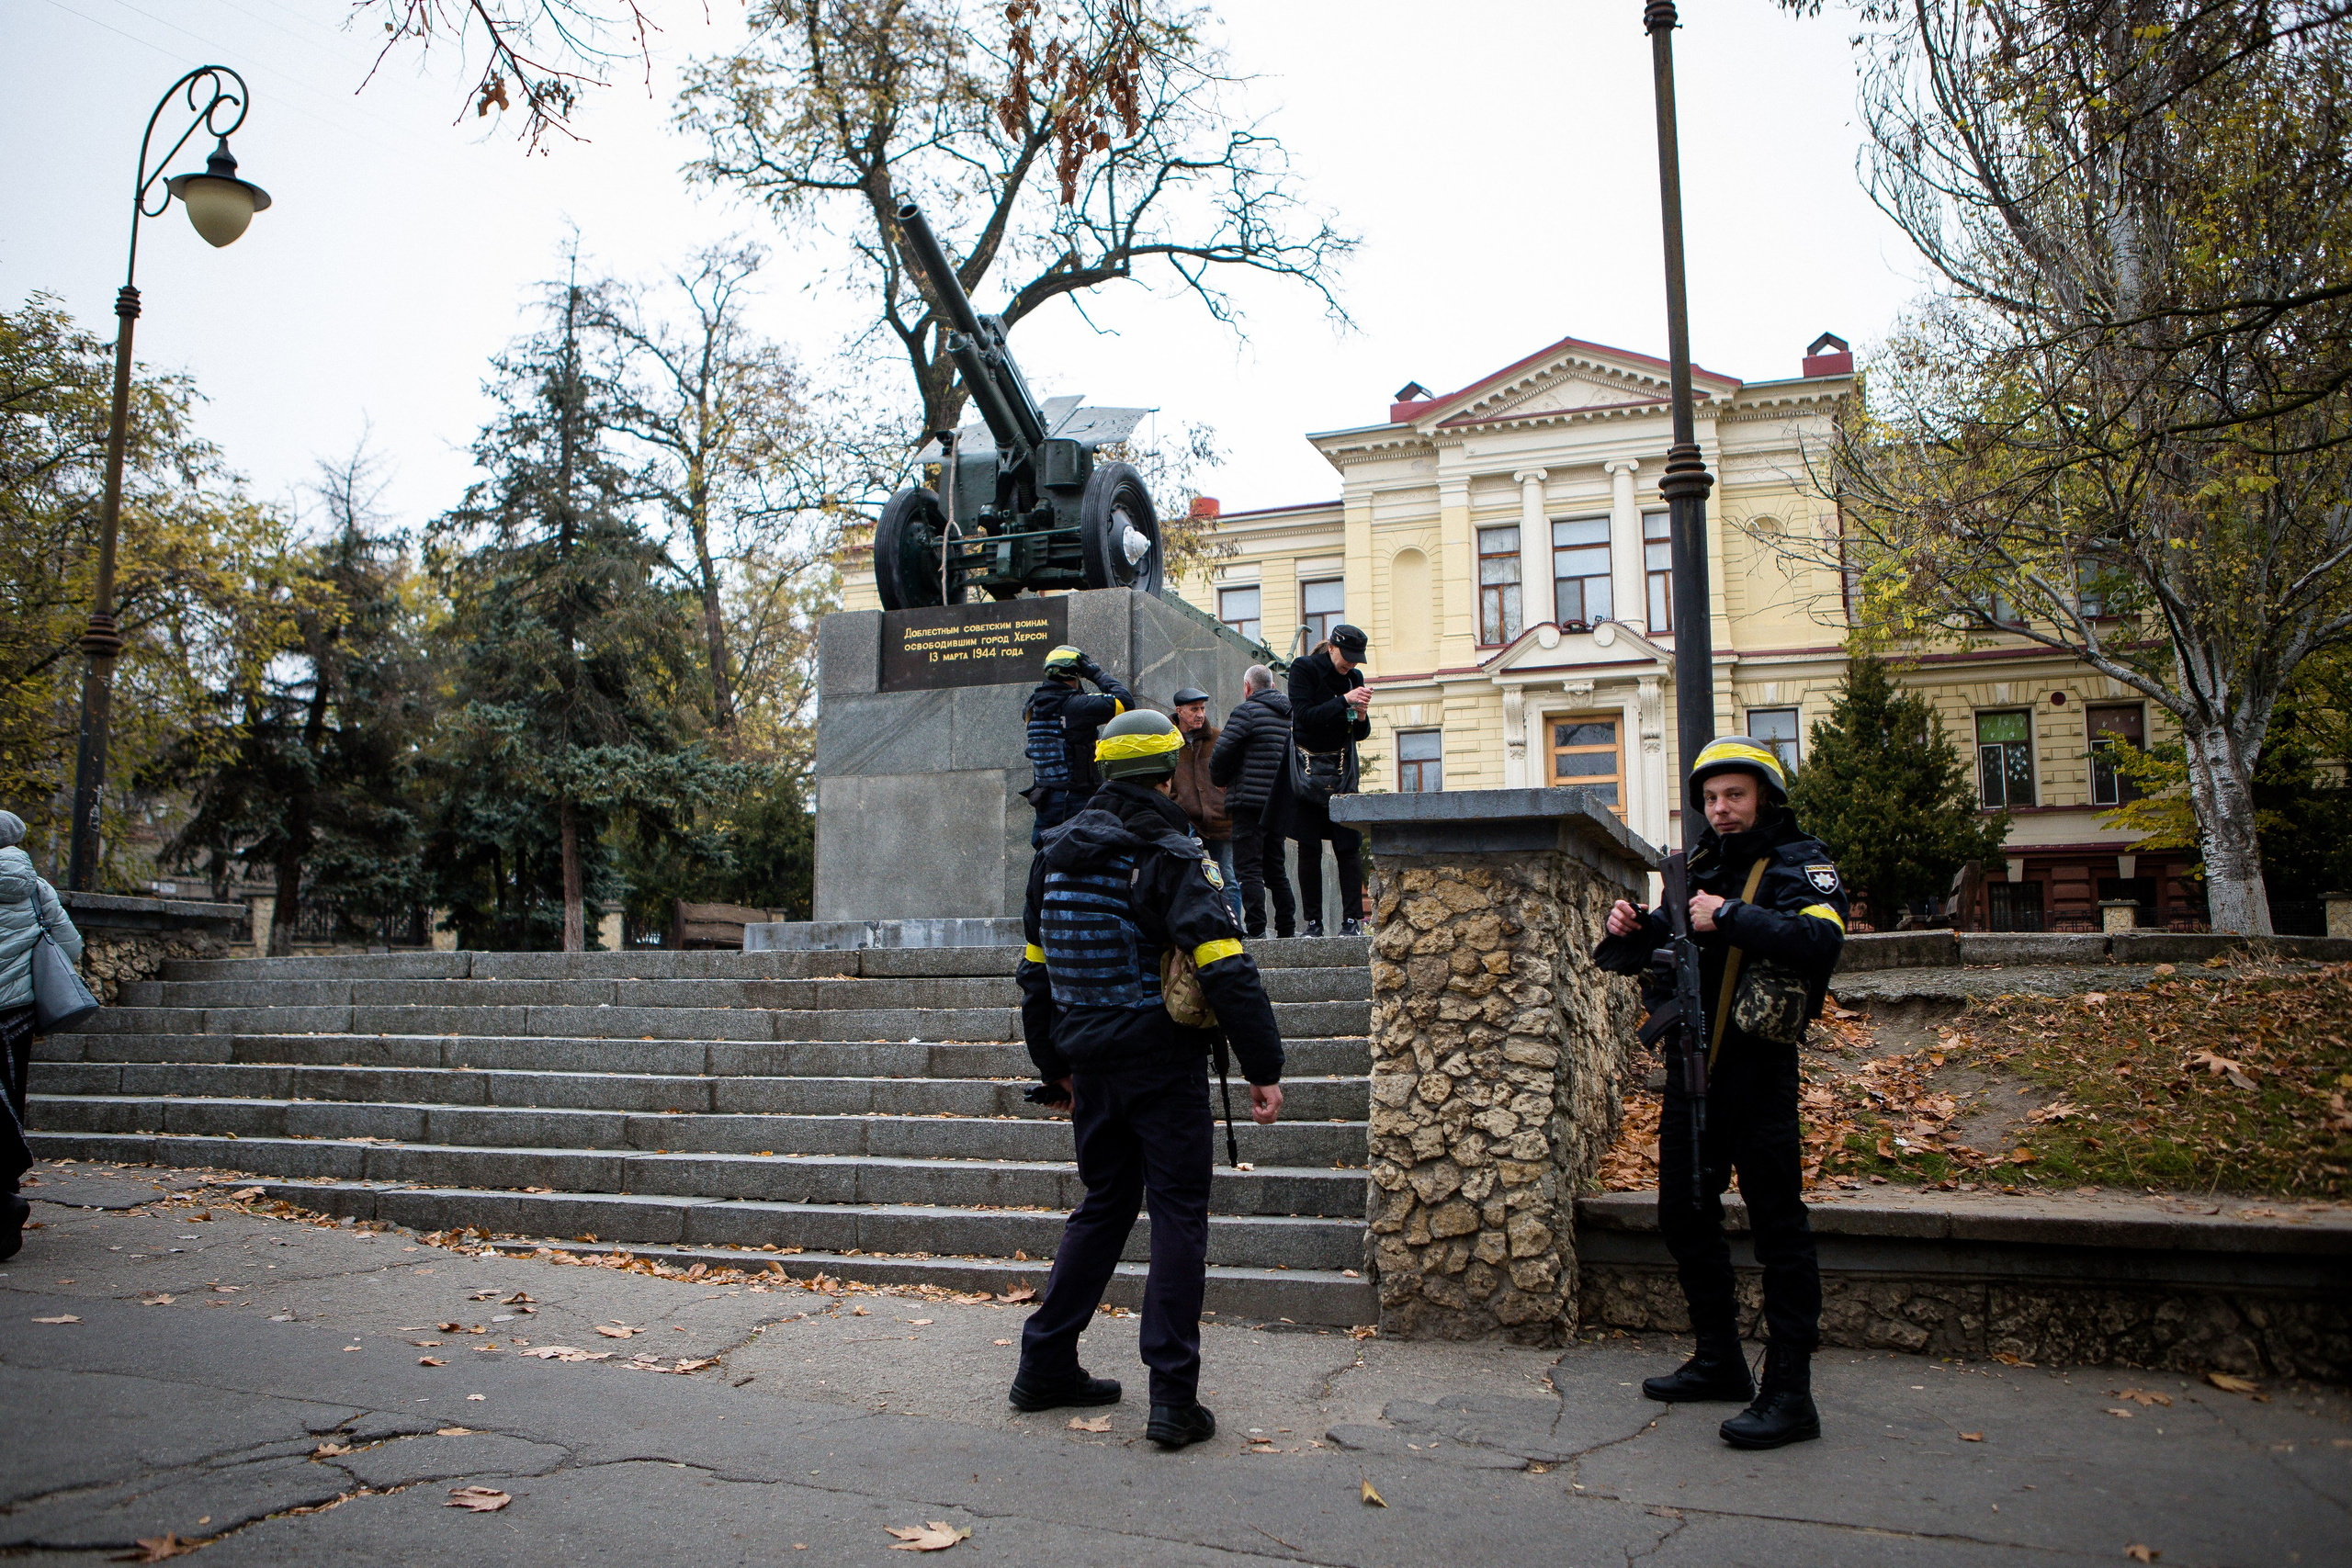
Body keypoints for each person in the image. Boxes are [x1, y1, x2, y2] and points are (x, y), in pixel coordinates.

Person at [1011, 708, 1286, 1450]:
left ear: (1105, 771)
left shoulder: (1054, 854)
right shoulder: (1169, 851)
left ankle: (1044, 1363)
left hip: (1089, 1064)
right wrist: (1263, 1067)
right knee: (1176, 1214)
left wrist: (1053, 1065)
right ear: (1167, 774)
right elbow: (1225, 964)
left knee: (1104, 1204)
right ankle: (1172, 1398)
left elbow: (1035, 971)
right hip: (1162, 1064)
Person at [1592, 738, 1848, 1450]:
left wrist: (1729, 915)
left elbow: (1822, 941)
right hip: (1693, 1067)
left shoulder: (1800, 861)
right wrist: (1632, 925)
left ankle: (1791, 1394)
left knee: (1779, 1228)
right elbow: (1654, 949)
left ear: (1765, 795)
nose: (1721, 808)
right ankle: (1719, 1358)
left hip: (1759, 1073)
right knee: (1684, 1211)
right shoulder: (1702, 866)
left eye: (1734, 795)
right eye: (1710, 798)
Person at [0, 810, 82, 1261]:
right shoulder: (35, 888)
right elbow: (70, 945)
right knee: (12, 1096)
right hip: (16, 1016)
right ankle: (7, 1181)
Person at [1285, 625, 1372, 938]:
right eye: (1347, 656)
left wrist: (1360, 715)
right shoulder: (1304, 669)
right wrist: (1344, 700)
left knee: (1348, 846)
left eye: (1356, 658)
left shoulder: (1354, 678)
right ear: (1332, 647)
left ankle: (1352, 920)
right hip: (1308, 771)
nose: (1351, 663)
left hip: (1342, 771)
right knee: (1309, 848)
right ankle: (1313, 922)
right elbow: (1304, 716)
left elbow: (1360, 733)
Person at [1210, 665, 1297, 939]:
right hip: (1279, 803)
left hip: (1248, 803)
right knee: (1276, 868)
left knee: (1248, 868)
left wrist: (1220, 779)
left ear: (1247, 687)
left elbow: (1221, 752)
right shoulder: (1290, 714)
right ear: (1272, 686)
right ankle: (1287, 928)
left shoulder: (1246, 712)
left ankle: (1257, 929)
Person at [1022, 645, 1136, 847]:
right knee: (1080, 853)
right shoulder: (1077, 705)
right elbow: (1125, 702)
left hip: (1046, 797)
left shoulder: (1033, 705)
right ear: (1076, 672)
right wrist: (1096, 674)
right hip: (1074, 797)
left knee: (1046, 852)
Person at [1168, 686, 1244, 927]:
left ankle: (1233, 928)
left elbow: (1235, 772)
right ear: (1179, 711)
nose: (1200, 714)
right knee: (1185, 876)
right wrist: (1175, 801)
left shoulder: (1218, 738)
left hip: (1220, 818)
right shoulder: (1168, 741)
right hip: (1185, 819)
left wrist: (1225, 798)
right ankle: (1193, 927)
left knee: (1228, 878)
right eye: (1194, 709)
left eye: (1202, 708)